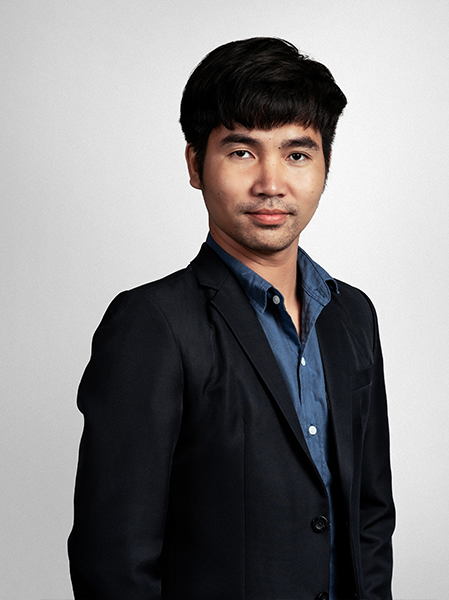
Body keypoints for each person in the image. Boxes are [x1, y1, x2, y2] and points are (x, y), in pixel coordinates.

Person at [68, 37, 395, 600]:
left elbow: (370, 515)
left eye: (297, 154)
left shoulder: (352, 315)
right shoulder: (152, 324)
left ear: (325, 166)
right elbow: (113, 559)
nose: (271, 183)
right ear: (195, 164)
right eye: (242, 152)